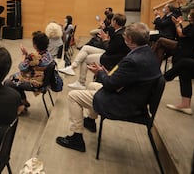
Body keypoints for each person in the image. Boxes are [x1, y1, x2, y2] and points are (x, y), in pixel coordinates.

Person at [56, 22, 162, 152]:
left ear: (131, 40)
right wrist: (106, 74)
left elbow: (111, 85)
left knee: (73, 96)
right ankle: (90, 121)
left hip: (123, 105)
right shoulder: (149, 53)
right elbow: (123, 80)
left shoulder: (133, 60)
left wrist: (99, 73)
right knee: (91, 85)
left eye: (125, 38)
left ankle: (76, 138)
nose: (124, 40)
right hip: (135, 98)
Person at [63, 13, 130, 89]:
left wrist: (105, 40)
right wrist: (107, 40)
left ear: (114, 21)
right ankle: (72, 67)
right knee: (85, 47)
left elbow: (108, 50)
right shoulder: (120, 31)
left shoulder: (119, 35)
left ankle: (81, 82)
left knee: (86, 58)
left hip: (111, 58)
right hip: (111, 54)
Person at [4, 31, 53, 109]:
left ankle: (21, 104)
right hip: (44, 81)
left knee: (8, 82)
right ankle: (24, 101)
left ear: (35, 45)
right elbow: (34, 63)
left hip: (35, 83)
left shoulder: (33, 56)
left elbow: (21, 67)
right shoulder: (48, 54)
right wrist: (27, 55)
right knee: (14, 77)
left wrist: (24, 55)